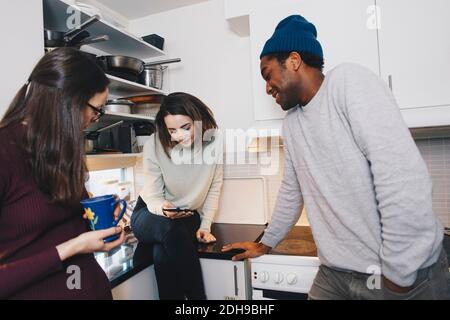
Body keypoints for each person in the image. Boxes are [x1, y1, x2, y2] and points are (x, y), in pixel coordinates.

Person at [222, 15, 450, 300]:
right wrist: (266, 243)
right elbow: (292, 191)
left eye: (268, 75)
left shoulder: (347, 83)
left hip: (398, 276)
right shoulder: (292, 124)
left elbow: (401, 177)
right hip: (334, 273)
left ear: (293, 61)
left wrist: (399, 274)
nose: (267, 87)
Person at [0, 48, 125, 299]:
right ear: (69, 100)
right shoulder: (5, 153)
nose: (95, 119)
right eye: (96, 110)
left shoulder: (60, 149)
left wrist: (96, 223)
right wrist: (74, 246)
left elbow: (63, 222)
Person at [131, 92, 223, 300]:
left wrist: (205, 226)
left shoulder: (214, 142)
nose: (179, 135)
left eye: (186, 127)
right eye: (172, 130)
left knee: (161, 253)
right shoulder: (154, 145)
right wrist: (163, 208)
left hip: (186, 216)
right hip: (149, 212)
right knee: (168, 229)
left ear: (198, 120)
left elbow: (214, 187)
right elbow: (153, 197)